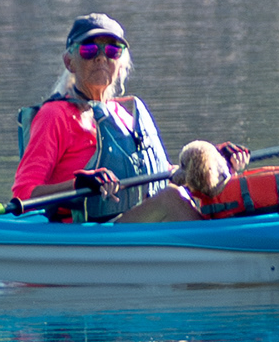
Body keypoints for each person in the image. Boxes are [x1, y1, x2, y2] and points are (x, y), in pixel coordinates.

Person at [11, 12, 196, 222]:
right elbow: (23, 193)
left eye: (112, 50)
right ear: (69, 62)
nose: (101, 57)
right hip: (87, 230)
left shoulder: (122, 116)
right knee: (171, 199)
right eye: (89, 50)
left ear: (120, 65)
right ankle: (214, 249)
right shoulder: (54, 116)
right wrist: (78, 185)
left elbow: (157, 174)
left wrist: (206, 164)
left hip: (130, 220)